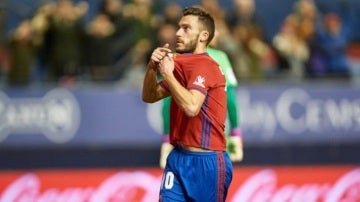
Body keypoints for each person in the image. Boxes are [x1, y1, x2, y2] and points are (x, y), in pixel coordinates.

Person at [142, 6, 233, 201]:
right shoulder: (182, 64)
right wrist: (151, 69)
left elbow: (192, 107)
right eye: (178, 27)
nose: (177, 33)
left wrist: (167, 74)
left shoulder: (207, 65)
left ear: (203, 36)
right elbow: (150, 96)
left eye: (186, 28)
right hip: (179, 157)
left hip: (207, 162)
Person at [159, 28, 244, 169]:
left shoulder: (177, 58)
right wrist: (236, 132)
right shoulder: (219, 57)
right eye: (213, 30)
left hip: (183, 139)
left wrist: (167, 138)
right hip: (213, 138)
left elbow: (167, 100)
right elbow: (230, 99)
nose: (217, 34)